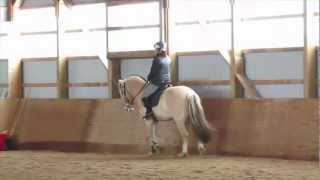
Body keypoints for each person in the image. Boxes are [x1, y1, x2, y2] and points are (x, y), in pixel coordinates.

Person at [142, 41, 172, 119]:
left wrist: (148, 78)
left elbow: (153, 72)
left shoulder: (157, 59)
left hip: (158, 82)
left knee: (145, 95)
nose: (155, 50)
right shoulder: (168, 58)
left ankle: (149, 113)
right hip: (167, 81)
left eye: (156, 49)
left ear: (159, 49)